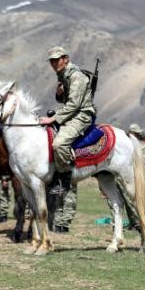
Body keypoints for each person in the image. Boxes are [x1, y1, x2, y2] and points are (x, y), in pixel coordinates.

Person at [39, 46, 96, 194]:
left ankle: (64, 179)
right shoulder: (64, 75)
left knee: (58, 144)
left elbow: (74, 104)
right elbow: (66, 100)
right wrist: (59, 94)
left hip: (82, 115)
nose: (54, 64)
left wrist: (53, 118)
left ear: (66, 59)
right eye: (52, 61)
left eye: (57, 60)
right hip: (73, 113)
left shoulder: (76, 76)